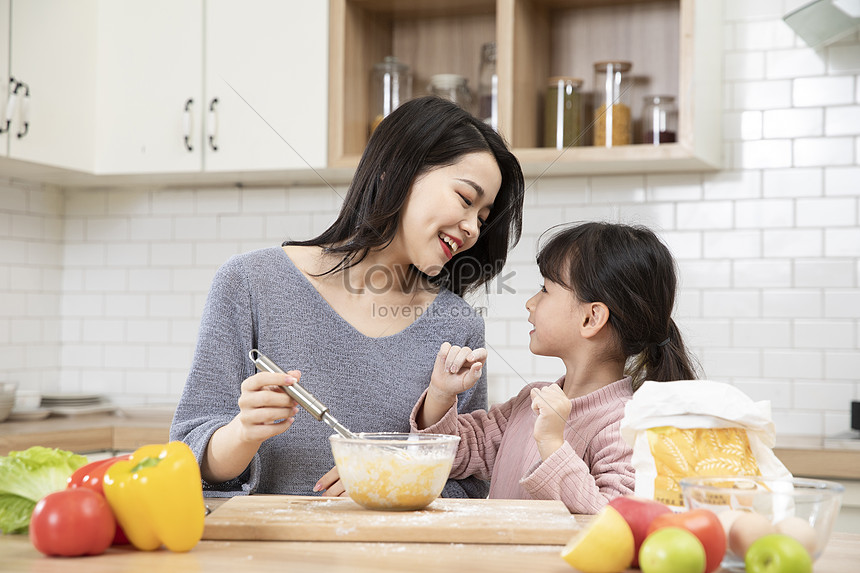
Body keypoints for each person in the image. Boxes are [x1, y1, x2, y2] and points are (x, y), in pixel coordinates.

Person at [170, 96, 525, 498]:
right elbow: (185, 457)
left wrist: (395, 479)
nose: (473, 229)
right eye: (465, 199)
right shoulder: (250, 283)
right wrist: (242, 434)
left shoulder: (457, 324)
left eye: (482, 217)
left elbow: (471, 483)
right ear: (398, 172)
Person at [412, 221, 699, 513]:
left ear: (591, 318)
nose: (530, 303)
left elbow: (613, 520)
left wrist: (551, 442)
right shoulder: (530, 402)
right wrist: (440, 393)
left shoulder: (626, 426)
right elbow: (451, 455)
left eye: (545, 289)